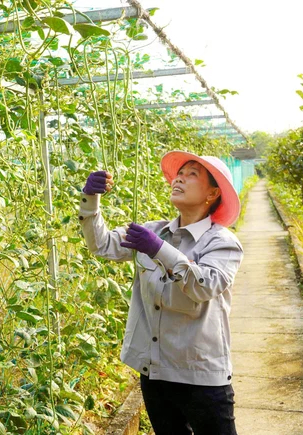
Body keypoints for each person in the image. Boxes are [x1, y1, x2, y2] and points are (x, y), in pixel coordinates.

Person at [79, 151, 244, 435]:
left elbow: (204, 285)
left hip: (201, 377)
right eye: (180, 172)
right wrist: (91, 200)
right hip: (154, 373)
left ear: (212, 193)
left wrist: (159, 250)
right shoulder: (154, 232)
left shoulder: (222, 243)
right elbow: (102, 245)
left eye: (192, 174)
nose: (179, 177)